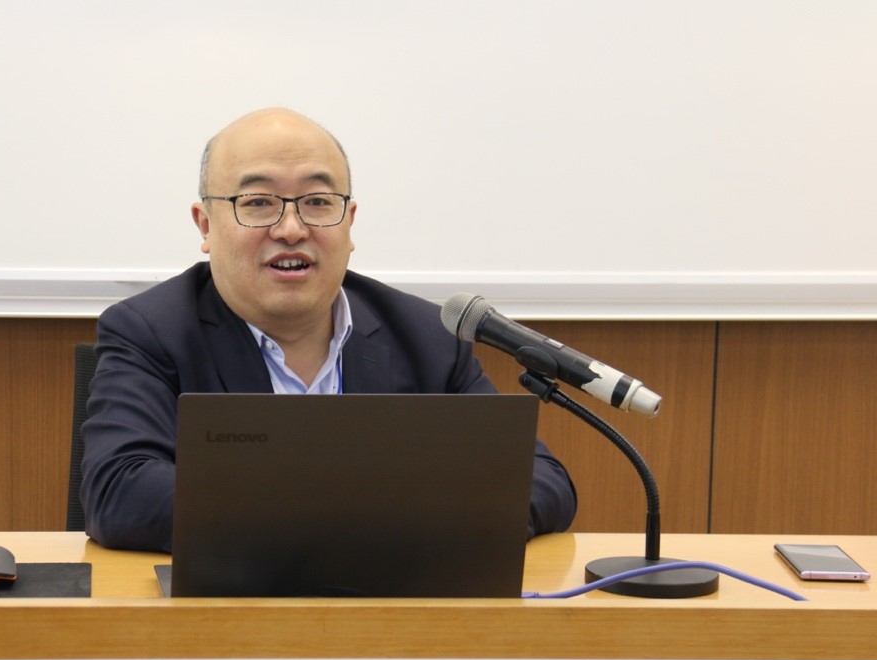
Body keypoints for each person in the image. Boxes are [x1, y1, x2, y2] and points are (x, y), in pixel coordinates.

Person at [81, 108, 576, 551]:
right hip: (228, 608)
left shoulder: (427, 337)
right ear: (205, 225)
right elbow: (119, 492)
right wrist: (369, 517)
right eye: (258, 203)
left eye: (318, 202)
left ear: (349, 221)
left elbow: (541, 481)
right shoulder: (151, 331)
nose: (291, 229)